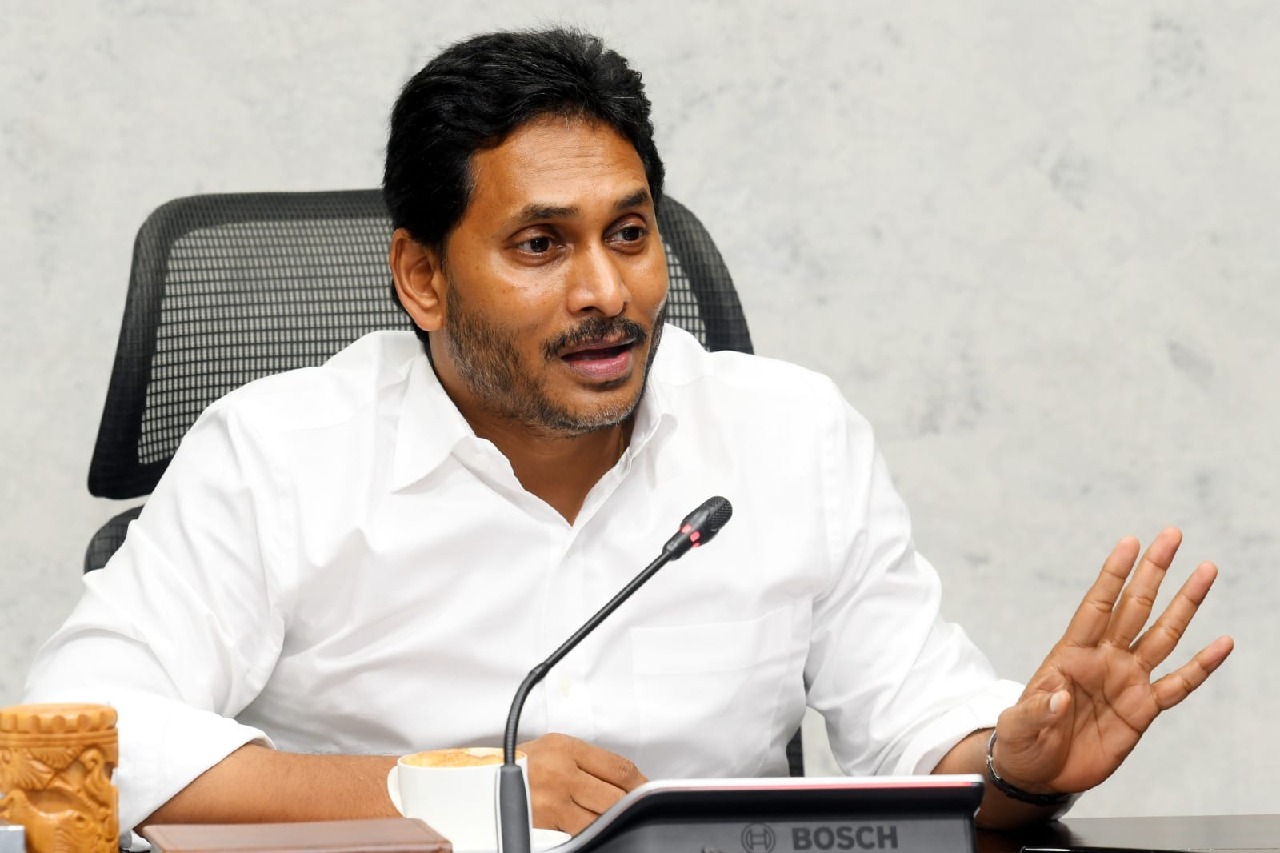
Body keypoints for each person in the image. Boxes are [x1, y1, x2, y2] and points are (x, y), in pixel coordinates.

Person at [24, 27, 1232, 840]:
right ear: (422, 277)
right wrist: (437, 792)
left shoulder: (787, 434)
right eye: (539, 245)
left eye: (629, 232)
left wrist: (1015, 765)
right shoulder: (278, 452)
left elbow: (921, 725)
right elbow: (70, 739)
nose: (606, 291)